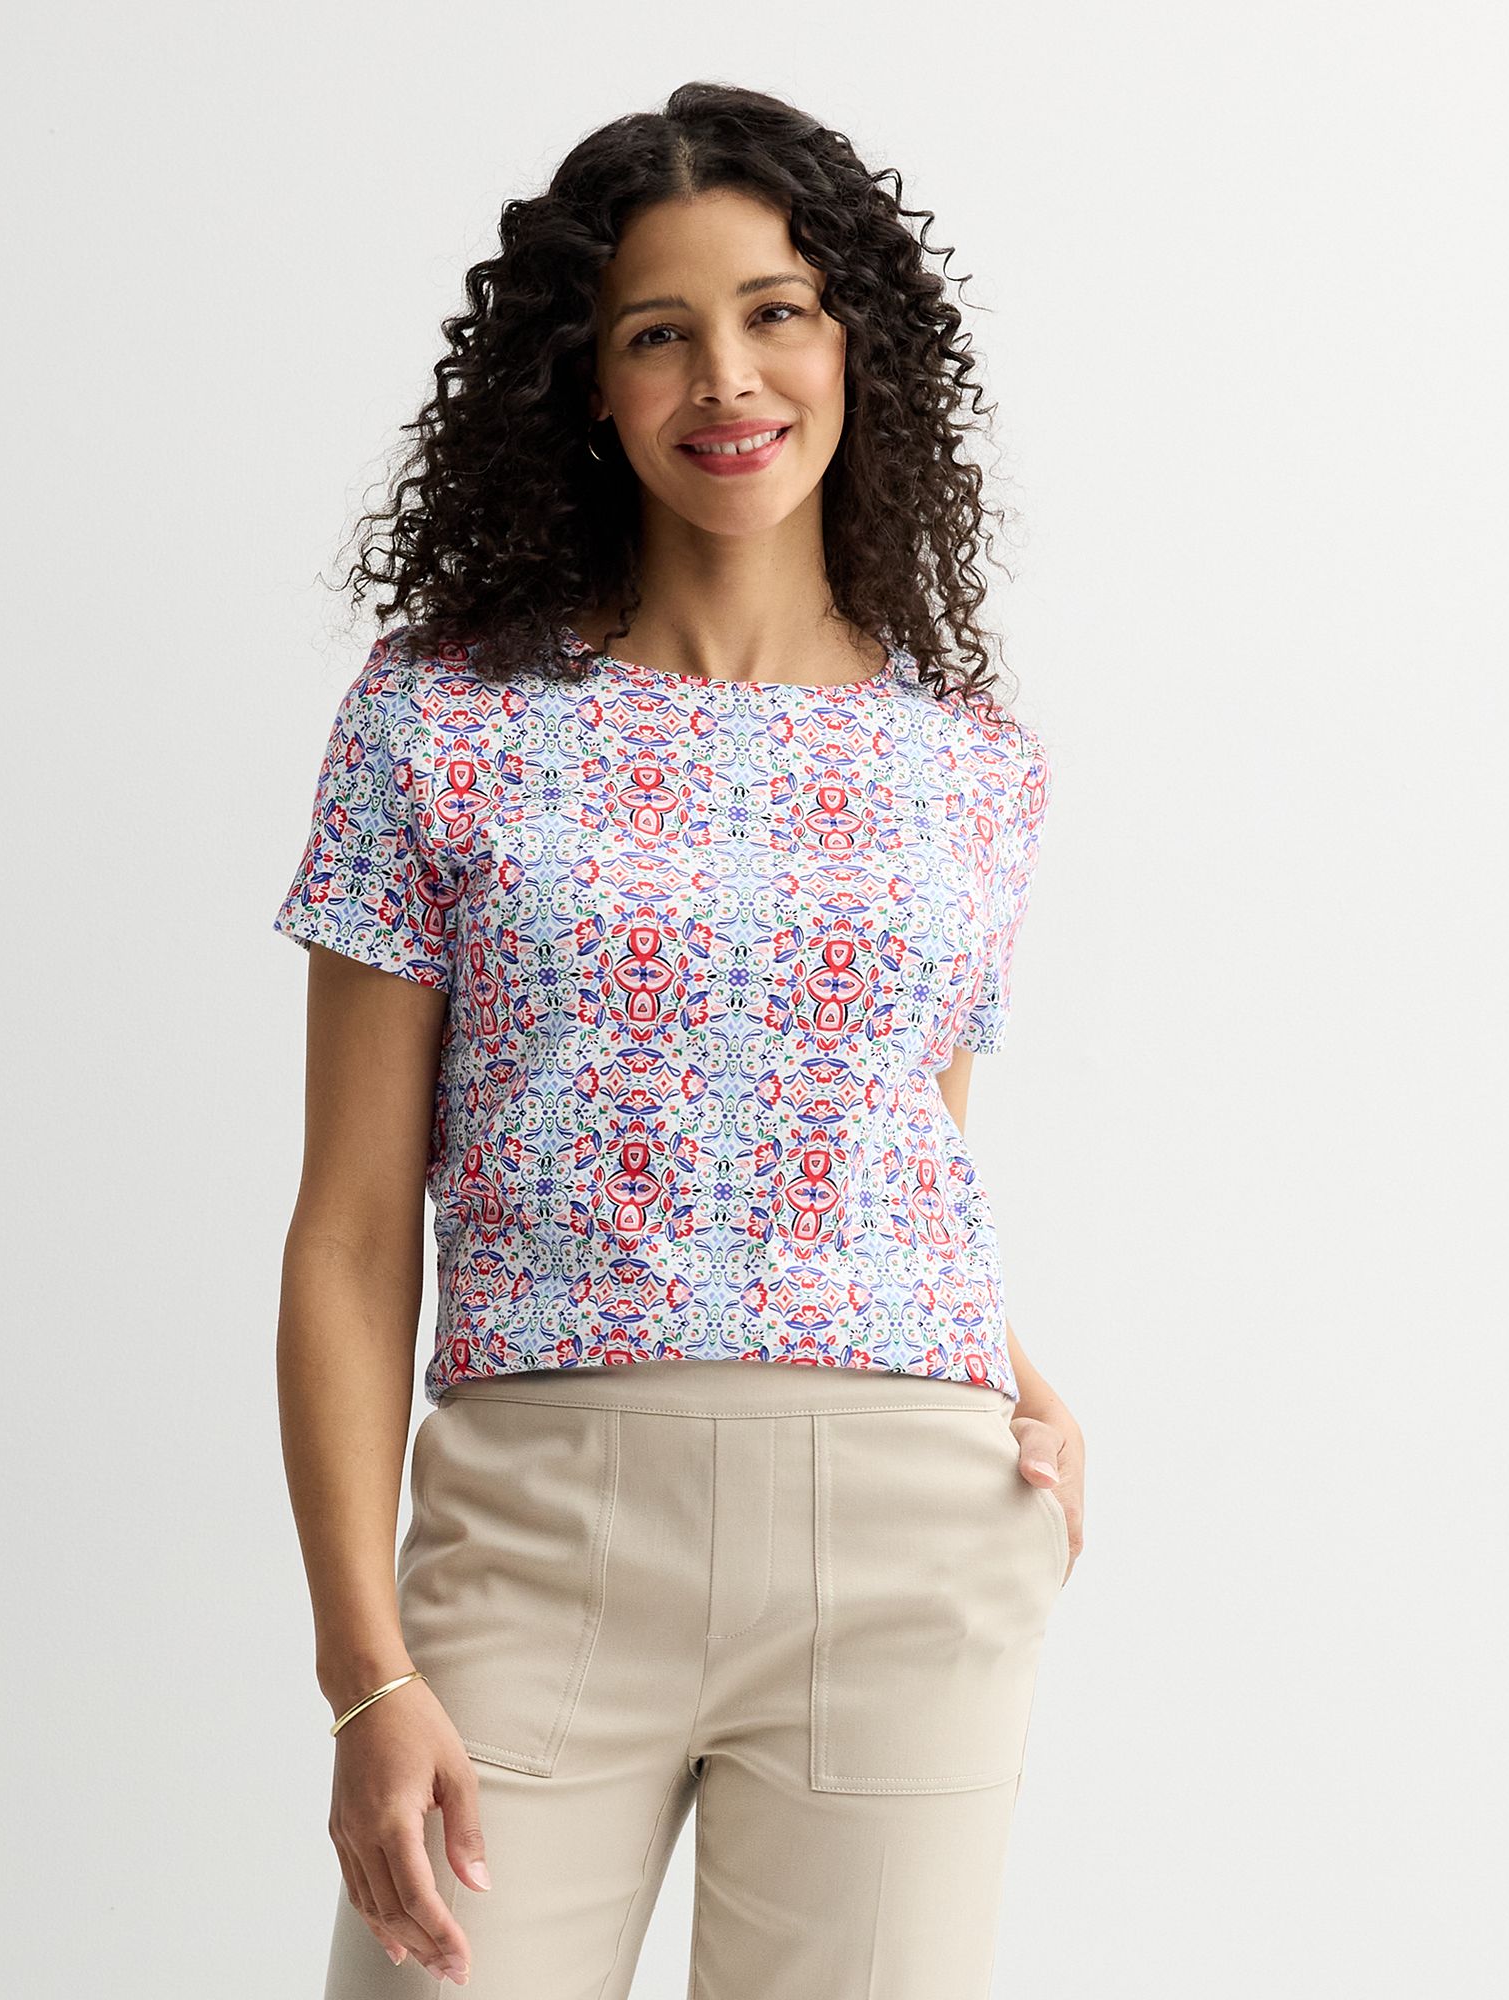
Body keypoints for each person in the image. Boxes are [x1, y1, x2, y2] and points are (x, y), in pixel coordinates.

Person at [271, 80, 1086, 1999]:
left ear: (857, 342)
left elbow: (888, 1147)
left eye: (777, 310)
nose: (728, 376)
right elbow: (352, 1227)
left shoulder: (970, 758)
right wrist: (364, 1671)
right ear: (588, 381)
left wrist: (1022, 1376)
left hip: (915, 1532)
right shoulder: (441, 716)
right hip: (543, 1529)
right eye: (660, 331)